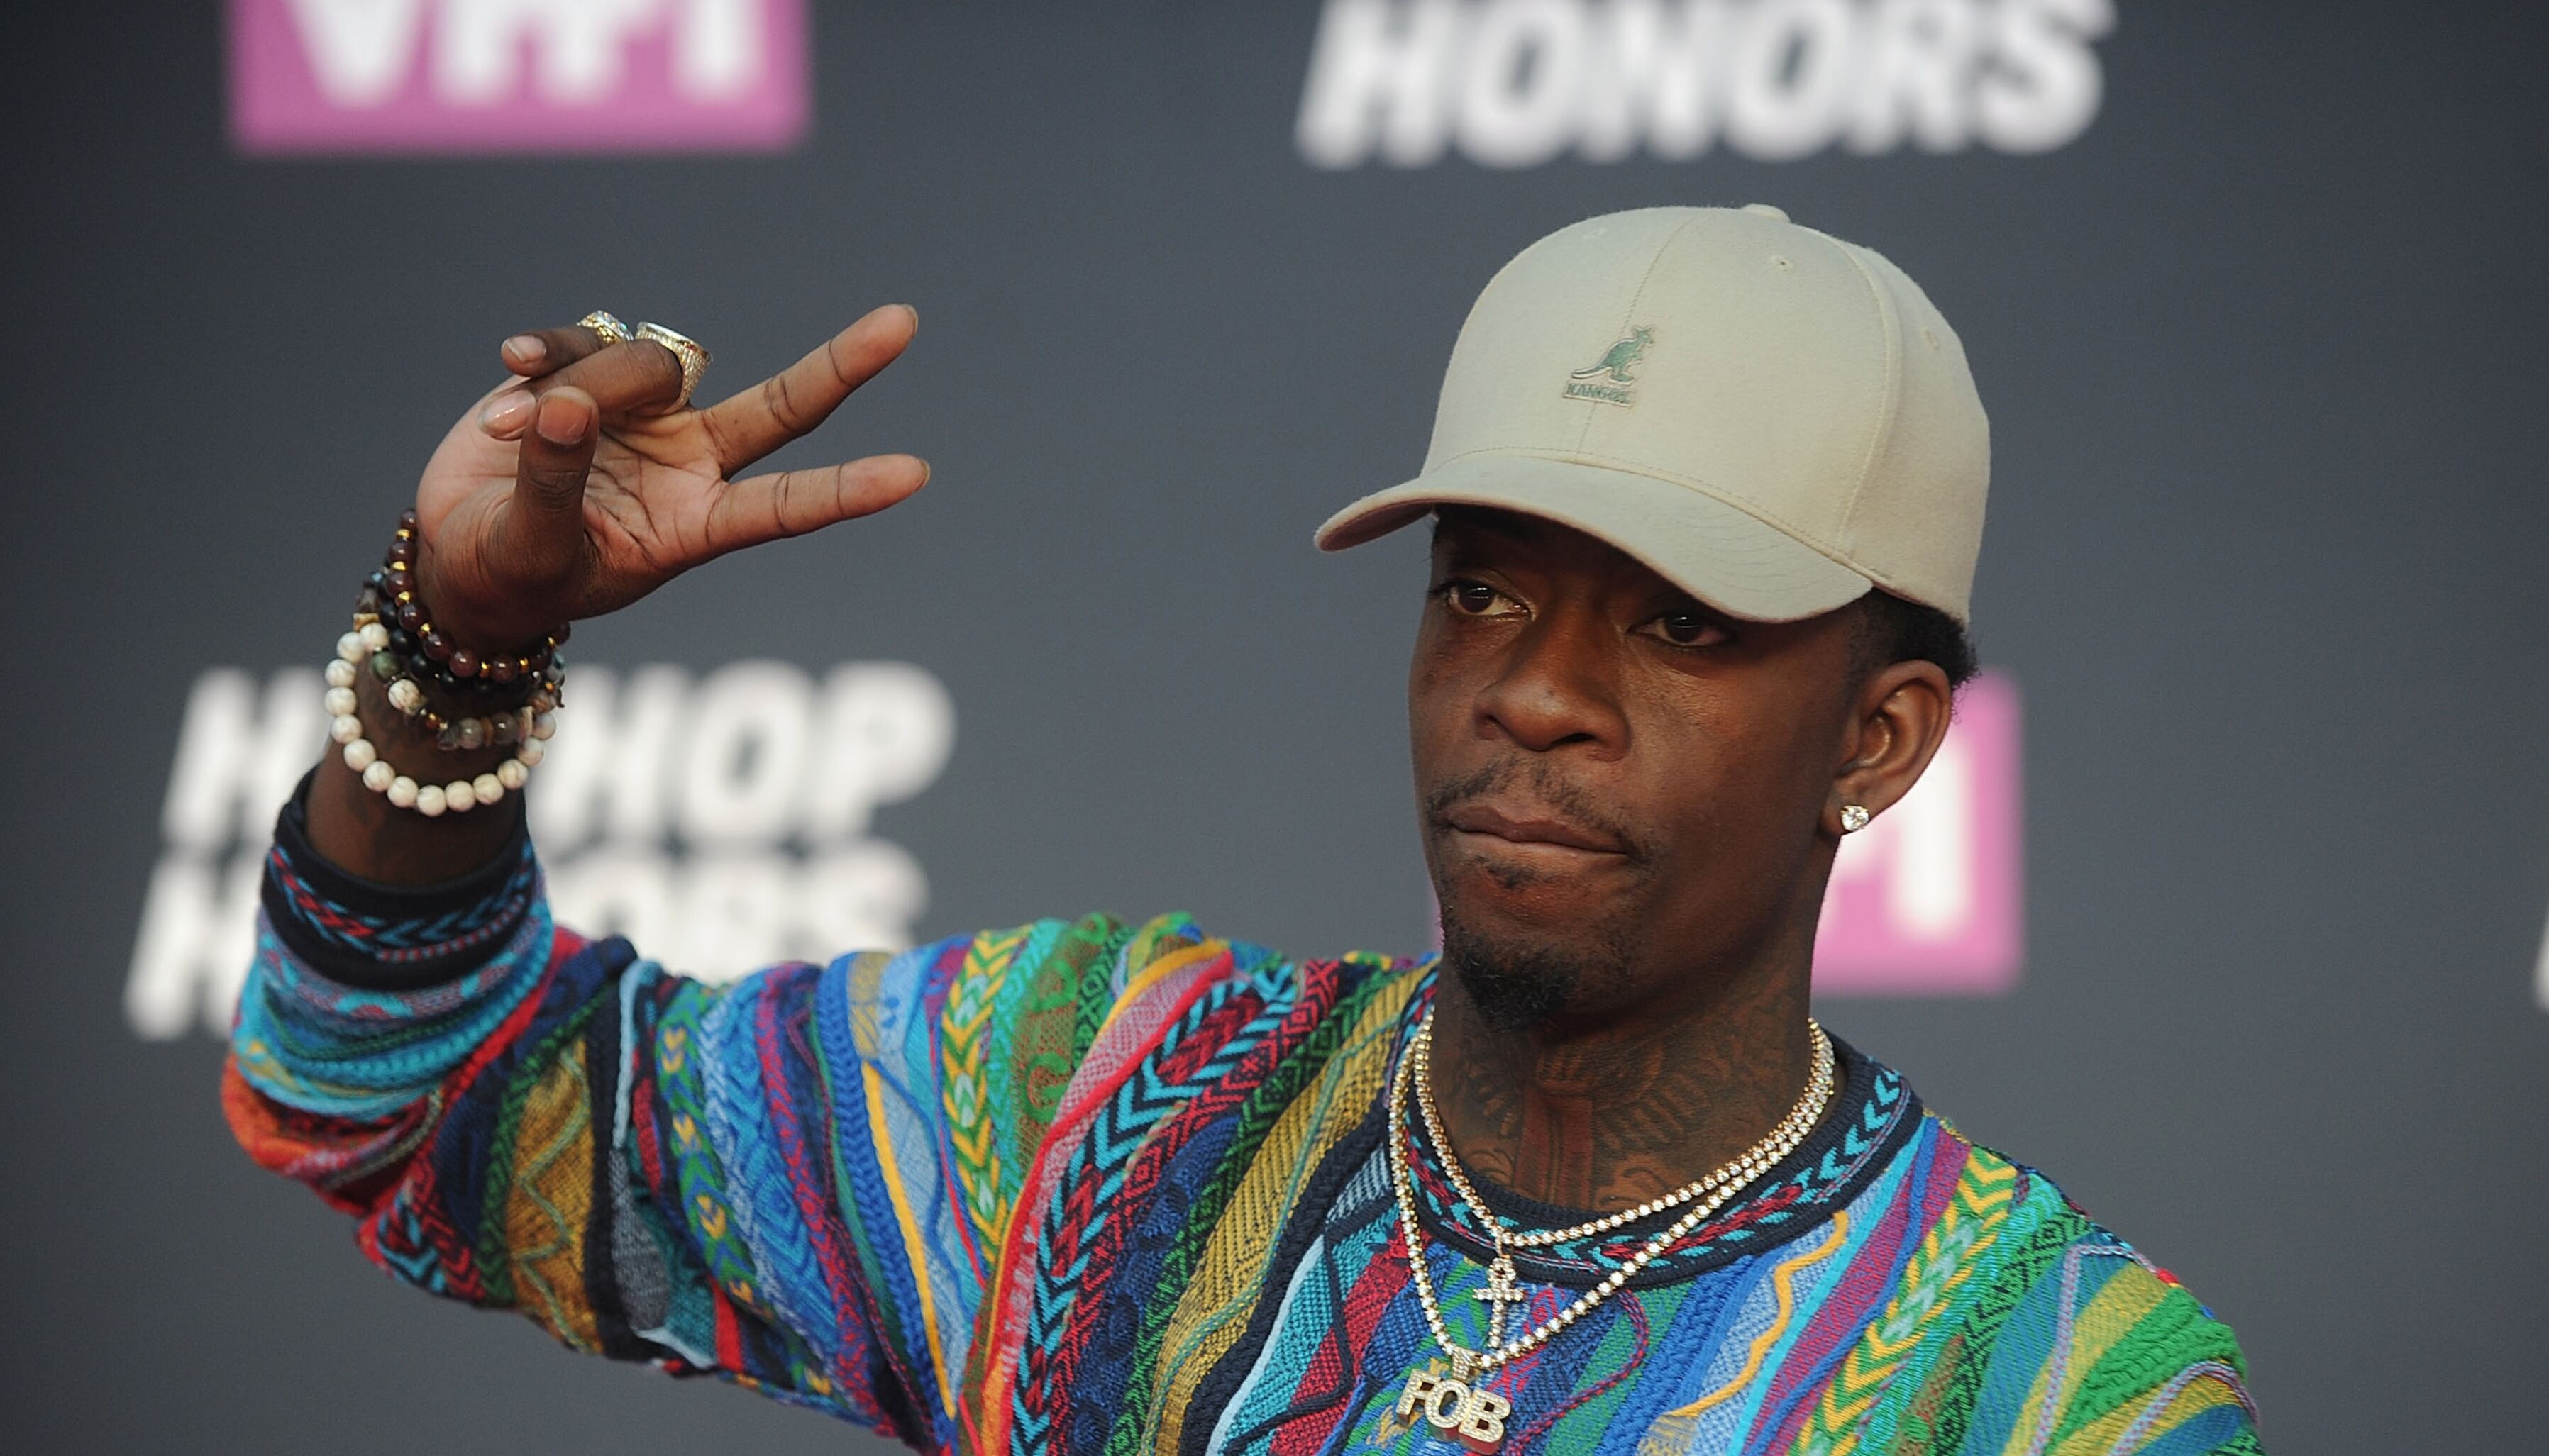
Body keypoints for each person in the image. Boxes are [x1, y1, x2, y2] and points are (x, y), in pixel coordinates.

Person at [226, 206, 2260, 1455]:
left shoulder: (2050, 1391)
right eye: (1482, 585)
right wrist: (458, 647)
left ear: (1882, 741)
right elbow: (420, 1111)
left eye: (1681, 622)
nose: (1536, 688)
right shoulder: (1097, 1105)